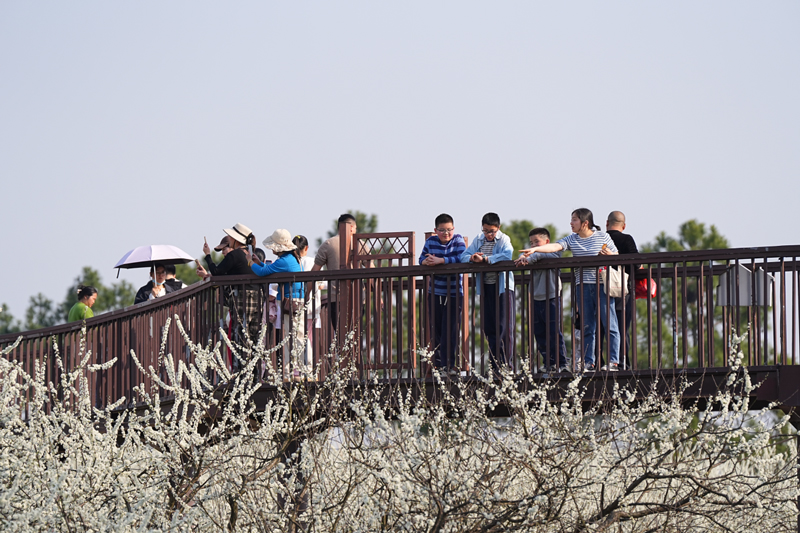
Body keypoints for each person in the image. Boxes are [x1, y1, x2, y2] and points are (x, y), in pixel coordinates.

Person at [520, 208, 619, 372]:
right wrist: (535, 250)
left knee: (610, 323)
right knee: (587, 326)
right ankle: (589, 363)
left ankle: (614, 361)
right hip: (582, 285)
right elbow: (555, 247)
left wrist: (609, 254)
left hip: (602, 284)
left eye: (574, 220)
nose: (571, 223)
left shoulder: (602, 236)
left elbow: (617, 255)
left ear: (585, 223)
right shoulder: (572, 239)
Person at [461, 212, 515, 374]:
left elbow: (507, 254)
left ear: (498, 228)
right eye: (485, 231)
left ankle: (506, 366)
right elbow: (463, 256)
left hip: (502, 287)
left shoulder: (504, 239)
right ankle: (494, 365)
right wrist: (473, 258)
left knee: (504, 327)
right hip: (485, 287)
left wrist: (485, 259)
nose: (488, 235)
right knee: (489, 326)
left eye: (491, 231)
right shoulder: (478, 239)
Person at [196, 223, 263, 351]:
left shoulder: (236, 254)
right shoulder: (249, 253)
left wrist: (208, 255)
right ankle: (254, 369)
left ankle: (242, 368)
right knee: (254, 337)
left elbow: (217, 272)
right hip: (257, 295)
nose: (229, 239)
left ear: (236, 239)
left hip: (242, 296)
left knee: (240, 336)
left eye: (231, 237)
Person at [248, 229, 305, 379]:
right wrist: (259, 262)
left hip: (290, 301)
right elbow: (268, 270)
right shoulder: (292, 258)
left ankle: (293, 372)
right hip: (296, 300)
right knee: (293, 336)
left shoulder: (284, 260)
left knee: (292, 338)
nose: (272, 248)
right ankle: (293, 371)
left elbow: (262, 273)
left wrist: (250, 262)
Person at [515, 228, 568, 373]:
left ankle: (562, 362)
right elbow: (526, 257)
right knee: (539, 332)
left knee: (554, 331)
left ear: (547, 242)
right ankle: (548, 362)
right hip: (536, 296)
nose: (533, 246)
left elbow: (553, 256)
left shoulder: (553, 252)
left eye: (537, 242)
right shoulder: (531, 256)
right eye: (531, 243)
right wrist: (529, 257)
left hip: (551, 296)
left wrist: (534, 256)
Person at [419, 213, 466, 376]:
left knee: (451, 329)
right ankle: (438, 366)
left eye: (449, 230)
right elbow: (421, 259)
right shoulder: (430, 242)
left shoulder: (458, 240)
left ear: (453, 229)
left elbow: (462, 258)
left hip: (454, 293)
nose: (446, 233)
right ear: (435, 230)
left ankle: (449, 365)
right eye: (442, 230)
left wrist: (441, 261)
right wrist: (426, 262)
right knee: (436, 329)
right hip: (435, 291)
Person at [602, 210, 639, 368]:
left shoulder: (601, 240)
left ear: (607, 223)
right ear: (623, 226)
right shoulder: (627, 239)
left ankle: (599, 362)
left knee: (602, 327)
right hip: (622, 289)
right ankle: (623, 362)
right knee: (623, 327)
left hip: (601, 288)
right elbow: (636, 265)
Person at [311, 213, 358, 327]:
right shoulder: (360, 244)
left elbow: (314, 272)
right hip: (357, 296)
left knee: (339, 334)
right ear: (351, 227)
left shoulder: (328, 244)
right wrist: (380, 298)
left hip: (335, 297)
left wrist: (307, 294)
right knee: (355, 334)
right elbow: (371, 269)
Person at [295, 235, 324, 369]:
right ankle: (308, 368)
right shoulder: (313, 262)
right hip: (311, 307)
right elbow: (322, 284)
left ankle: (296, 369)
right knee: (309, 339)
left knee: (295, 339)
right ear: (307, 248)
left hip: (295, 307)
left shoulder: (293, 263)